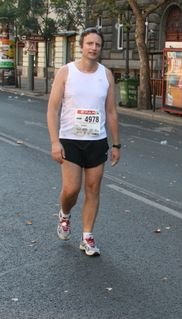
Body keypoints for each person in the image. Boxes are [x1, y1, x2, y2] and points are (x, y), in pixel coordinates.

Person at [46, 28, 121, 256]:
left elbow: (111, 112)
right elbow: (53, 108)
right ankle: (64, 214)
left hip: (96, 140)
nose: (93, 48)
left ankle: (87, 236)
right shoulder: (66, 72)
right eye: (89, 43)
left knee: (93, 189)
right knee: (72, 189)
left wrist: (116, 144)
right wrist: (54, 142)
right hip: (70, 139)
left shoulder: (106, 75)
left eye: (97, 44)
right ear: (81, 46)